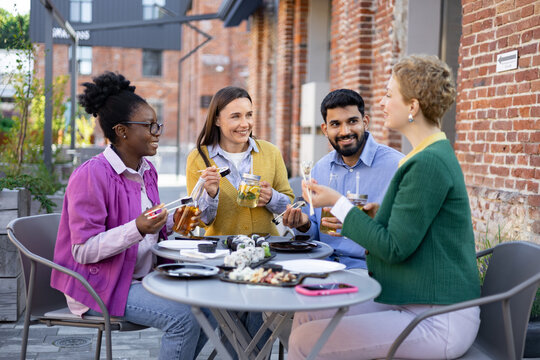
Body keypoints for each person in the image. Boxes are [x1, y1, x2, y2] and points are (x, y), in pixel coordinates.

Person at [289, 55, 481, 359]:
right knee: (308, 316)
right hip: (409, 297)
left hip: (436, 316)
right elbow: (413, 230)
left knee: (306, 342)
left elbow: (393, 248)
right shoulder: (426, 156)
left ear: (413, 106)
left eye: (390, 94)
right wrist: (377, 214)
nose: (381, 103)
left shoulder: (427, 163)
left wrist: (337, 203)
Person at [50, 72, 208, 360]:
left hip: (140, 277)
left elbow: (150, 227)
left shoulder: (146, 170)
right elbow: (82, 250)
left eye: (157, 124)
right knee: (185, 317)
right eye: (149, 126)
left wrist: (172, 222)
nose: (157, 131)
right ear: (122, 131)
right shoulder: (91, 175)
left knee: (209, 307)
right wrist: (137, 228)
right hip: (99, 287)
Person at [282, 89, 403, 269]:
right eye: (335, 124)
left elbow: (401, 236)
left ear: (365, 122)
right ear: (325, 129)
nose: (345, 131)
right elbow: (314, 234)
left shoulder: (397, 166)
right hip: (323, 266)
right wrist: (304, 224)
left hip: (372, 271)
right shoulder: (320, 169)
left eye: (352, 121)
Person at [186, 86, 295, 235]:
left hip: (266, 250)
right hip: (221, 252)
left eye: (249, 115)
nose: (245, 124)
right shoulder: (198, 159)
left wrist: (272, 198)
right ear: (217, 120)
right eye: (235, 116)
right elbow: (201, 221)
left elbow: (290, 207)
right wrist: (211, 195)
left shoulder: (271, 152)